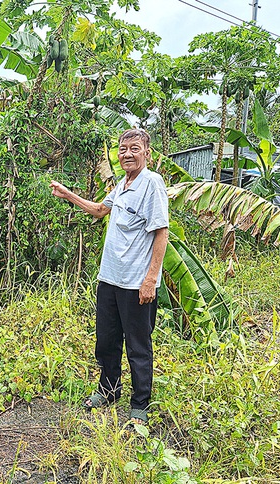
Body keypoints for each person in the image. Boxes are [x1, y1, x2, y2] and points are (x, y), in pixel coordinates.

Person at [49, 128, 169, 424]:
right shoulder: (122, 184)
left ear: (147, 153)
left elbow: (161, 232)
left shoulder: (151, 183)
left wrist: (150, 279)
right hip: (110, 279)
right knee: (106, 340)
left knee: (138, 345)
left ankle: (140, 404)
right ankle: (109, 389)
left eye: (134, 148)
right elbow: (100, 210)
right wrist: (67, 194)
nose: (127, 153)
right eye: (123, 148)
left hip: (135, 283)